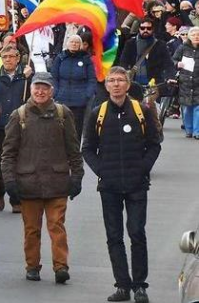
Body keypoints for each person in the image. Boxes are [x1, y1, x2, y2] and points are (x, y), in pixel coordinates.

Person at [82, 66, 161, 303]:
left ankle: (140, 286)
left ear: (128, 85)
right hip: (110, 185)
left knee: (137, 233)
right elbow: (87, 148)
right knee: (114, 236)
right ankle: (122, 285)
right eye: (111, 80)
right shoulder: (98, 113)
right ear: (106, 86)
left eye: (120, 80)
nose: (116, 84)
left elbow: (154, 144)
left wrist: (142, 168)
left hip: (137, 184)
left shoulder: (142, 111)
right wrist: (102, 171)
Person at [1, 72, 84, 284]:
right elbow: (8, 153)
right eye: (37, 87)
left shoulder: (62, 114)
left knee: (57, 226)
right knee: (32, 229)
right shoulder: (18, 116)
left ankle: (61, 266)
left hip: (57, 181)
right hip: (28, 182)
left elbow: (74, 149)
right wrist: (9, 181)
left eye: (44, 88)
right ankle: (32, 266)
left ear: (51, 91)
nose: (40, 91)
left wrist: (77, 177)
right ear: (31, 90)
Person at [0, 44, 32, 213]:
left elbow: (34, 98)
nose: (8, 60)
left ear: (18, 58)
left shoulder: (25, 76)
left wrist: (30, 78)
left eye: (11, 57)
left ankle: (16, 197)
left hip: (19, 126)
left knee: (18, 162)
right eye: (4, 57)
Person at [50, 35, 96, 141]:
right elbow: (54, 77)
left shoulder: (86, 59)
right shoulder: (60, 58)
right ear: (67, 43)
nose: (74, 44)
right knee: (60, 129)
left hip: (80, 101)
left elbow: (92, 79)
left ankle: (75, 155)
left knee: (76, 130)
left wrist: (87, 94)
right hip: (61, 99)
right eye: (72, 42)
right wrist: (55, 93)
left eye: (76, 42)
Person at [119, 17, 173, 87]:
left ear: (153, 29)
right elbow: (123, 61)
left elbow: (168, 63)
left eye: (149, 28)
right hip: (134, 83)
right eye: (142, 28)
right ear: (139, 29)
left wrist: (170, 77)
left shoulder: (160, 44)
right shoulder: (130, 43)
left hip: (154, 84)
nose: (145, 30)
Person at [174, 27, 199, 139]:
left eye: (198, 35)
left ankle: (197, 131)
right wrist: (177, 64)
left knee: (198, 108)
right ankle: (189, 130)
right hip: (185, 82)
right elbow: (173, 60)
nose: (196, 37)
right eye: (193, 35)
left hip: (198, 82)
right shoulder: (182, 47)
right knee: (186, 108)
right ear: (189, 36)